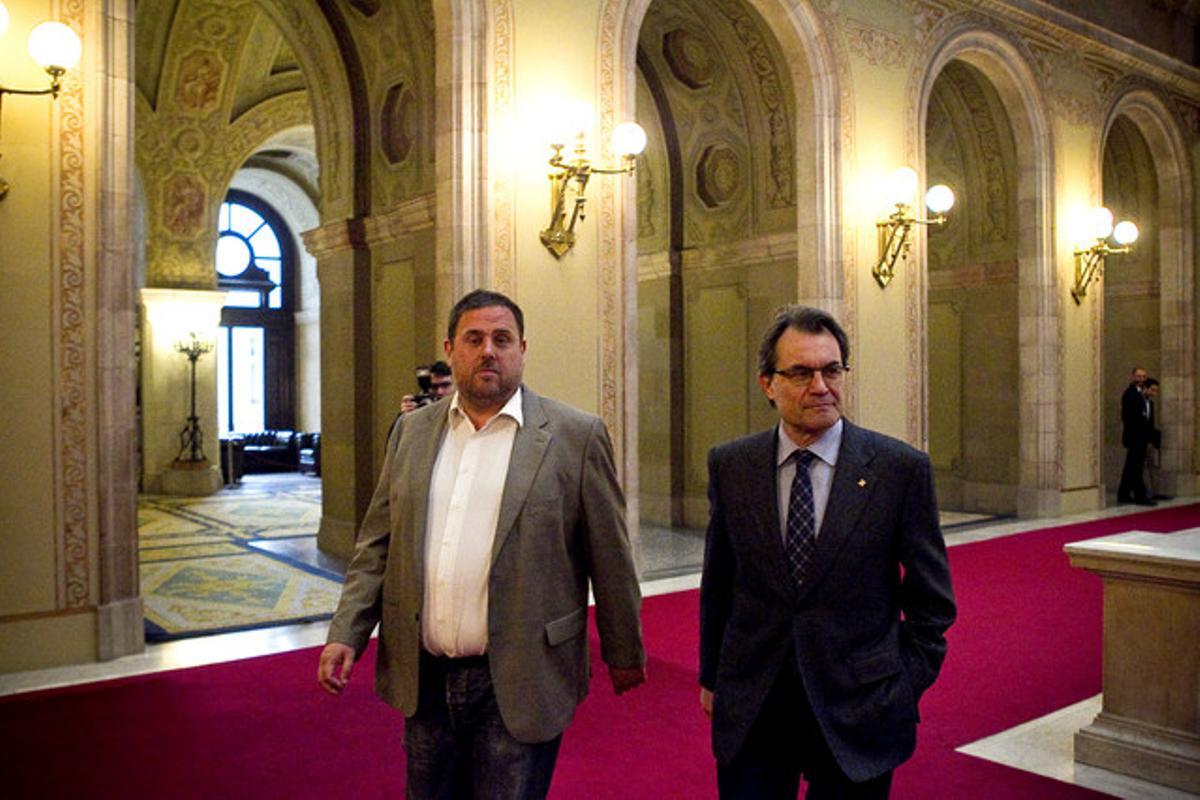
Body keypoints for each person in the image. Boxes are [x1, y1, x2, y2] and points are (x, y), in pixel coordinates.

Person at [318, 289, 646, 799]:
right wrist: (348, 631)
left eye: (502, 339)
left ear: (522, 349)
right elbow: (377, 543)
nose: (488, 350)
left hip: (520, 676)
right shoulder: (411, 432)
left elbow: (610, 556)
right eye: (474, 338)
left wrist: (624, 650)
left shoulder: (575, 436)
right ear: (451, 348)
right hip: (424, 679)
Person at [699, 305, 956, 798]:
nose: (820, 386)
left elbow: (932, 602)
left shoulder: (898, 469)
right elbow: (720, 583)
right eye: (800, 372)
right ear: (767, 384)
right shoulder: (732, 465)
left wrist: (900, 688)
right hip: (755, 701)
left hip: (859, 707)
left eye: (831, 370)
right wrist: (713, 677)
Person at [1117, 366, 1154, 505]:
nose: (1141, 379)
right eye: (1139, 376)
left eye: (1144, 377)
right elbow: (1129, 416)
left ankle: (1123, 494)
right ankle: (1140, 496)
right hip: (1134, 437)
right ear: (1133, 377)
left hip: (1141, 437)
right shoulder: (1129, 394)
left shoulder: (1142, 394)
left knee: (1131, 466)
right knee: (1136, 467)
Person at [1141, 377, 1168, 500]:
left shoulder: (1150, 404)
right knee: (1141, 468)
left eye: (1156, 391)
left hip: (1149, 440)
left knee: (1153, 466)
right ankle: (1143, 492)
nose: (1154, 393)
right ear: (1145, 388)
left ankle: (1154, 492)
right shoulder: (1137, 401)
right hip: (1138, 440)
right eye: (1152, 390)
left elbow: (1150, 423)